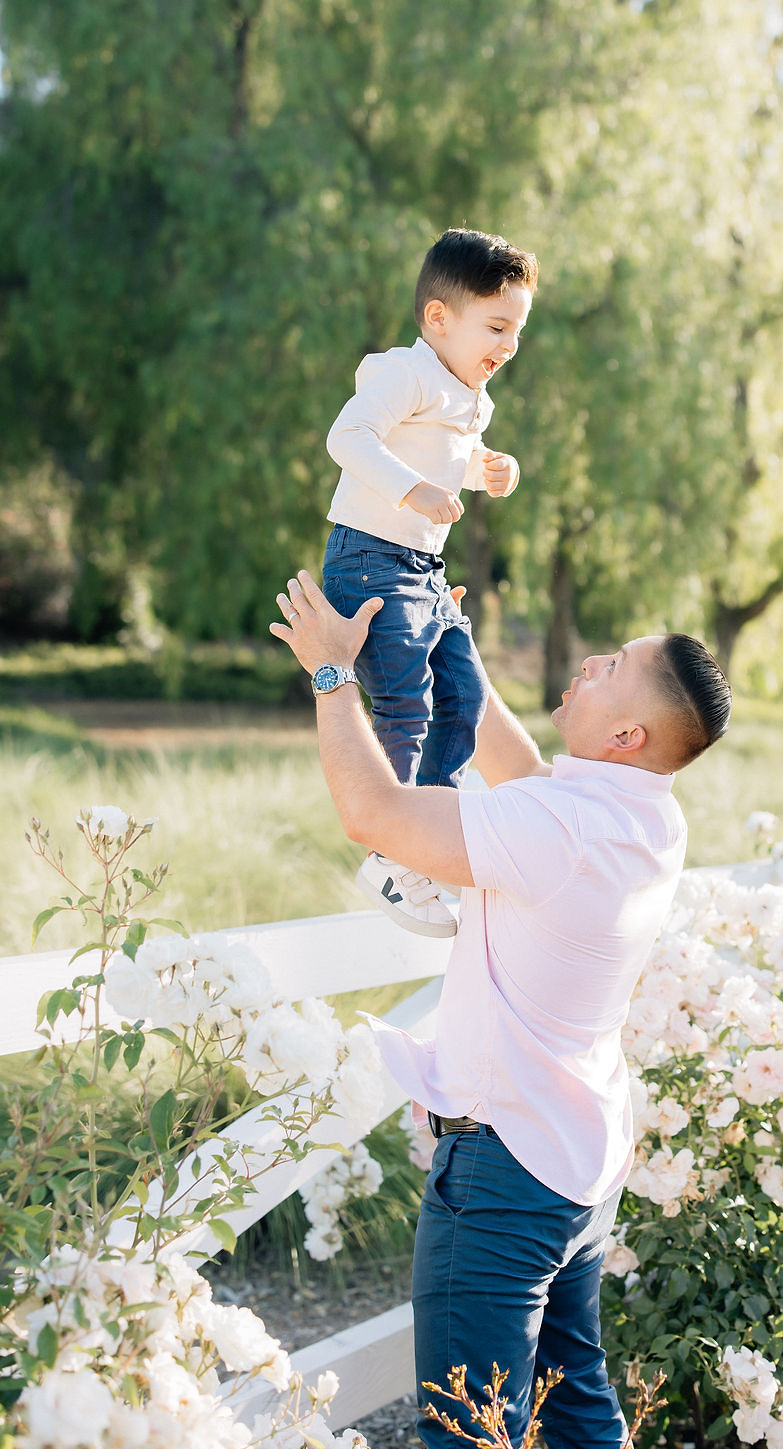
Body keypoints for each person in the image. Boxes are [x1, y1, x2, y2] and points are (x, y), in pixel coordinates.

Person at [269, 569, 732, 1449]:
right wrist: (449, 641)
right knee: (578, 1401)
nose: (588, 663)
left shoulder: (561, 829)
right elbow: (520, 770)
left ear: (628, 735)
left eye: (611, 667)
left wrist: (329, 676)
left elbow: (377, 817)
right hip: (579, 1160)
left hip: (506, 1166)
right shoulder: (643, 812)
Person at [321, 227, 539, 941]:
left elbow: (452, 455)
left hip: (424, 569)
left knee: (465, 700)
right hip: (370, 556)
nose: (508, 345)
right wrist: (413, 490)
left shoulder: (472, 397)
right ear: (439, 319)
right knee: (407, 701)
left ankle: (421, 839)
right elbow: (348, 440)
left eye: (517, 331)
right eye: (497, 326)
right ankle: (394, 854)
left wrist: (487, 470)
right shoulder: (402, 374)